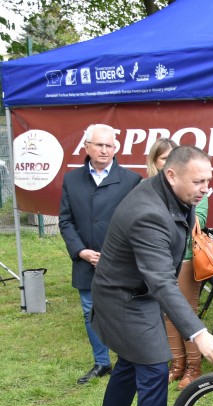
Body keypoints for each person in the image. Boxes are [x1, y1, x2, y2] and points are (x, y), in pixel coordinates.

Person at [91, 146, 213, 406]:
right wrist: (199, 333)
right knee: (154, 366)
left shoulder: (172, 194)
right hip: (122, 298)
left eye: (208, 180)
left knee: (130, 360)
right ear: (171, 174)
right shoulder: (148, 212)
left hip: (139, 292)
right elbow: (161, 281)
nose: (204, 188)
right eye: (198, 181)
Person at [59, 123, 142, 384]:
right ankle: (102, 362)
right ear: (87, 147)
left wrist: (115, 253)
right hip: (85, 261)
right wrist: (80, 251)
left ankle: (127, 362)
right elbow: (66, 221)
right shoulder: (71, 179)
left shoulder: (131, 180)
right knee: (89, 310)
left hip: (119, 262)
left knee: (121, 311)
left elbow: (136, 222)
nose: (104, 150)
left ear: (116, 148)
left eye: (109, 145)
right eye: (99, 144)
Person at [147, 139, 210, 390]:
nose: (168, 164)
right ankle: (177, 365)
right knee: (167, 313)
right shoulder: (148, 189)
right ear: (156, 162)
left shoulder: (195, 190)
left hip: (184, 258)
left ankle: (194, 368)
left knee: (186, 311)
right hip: (160, 260)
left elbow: (200, 219)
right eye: (163, 159)